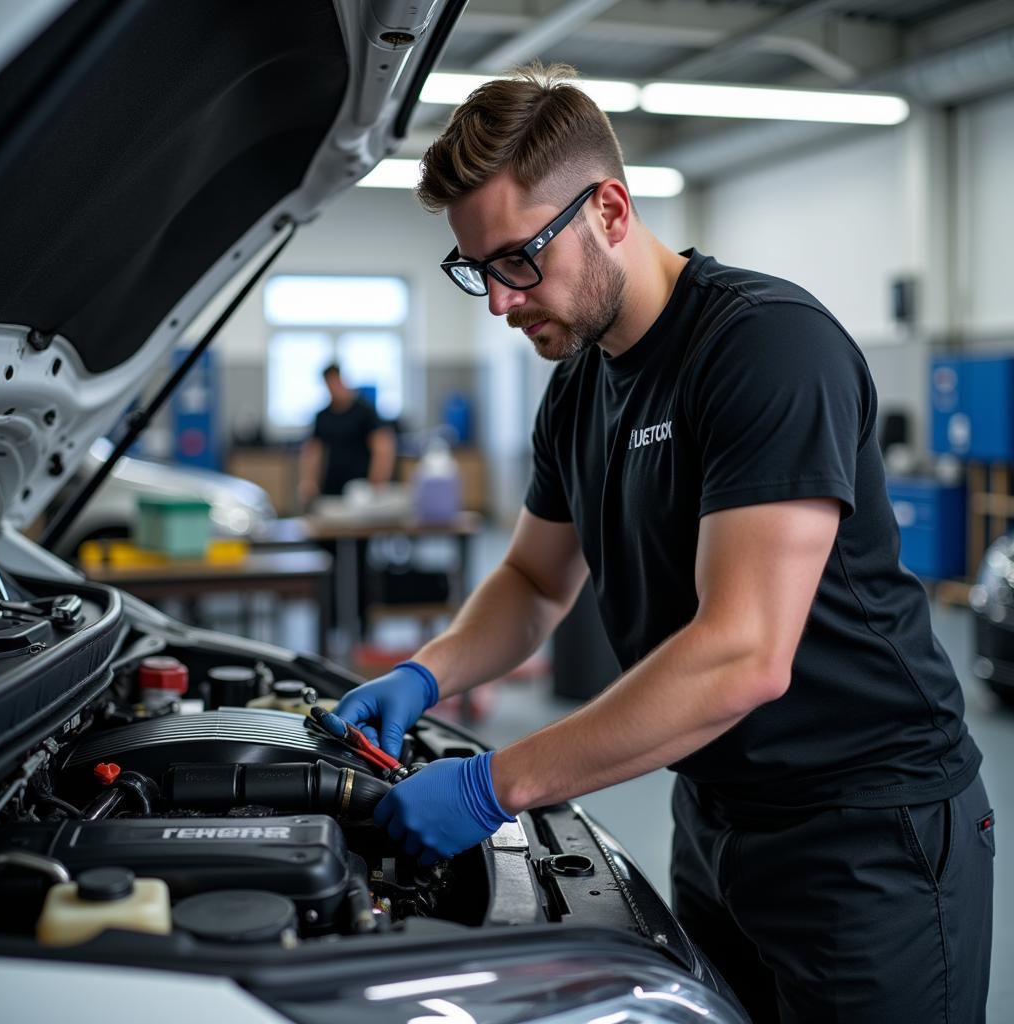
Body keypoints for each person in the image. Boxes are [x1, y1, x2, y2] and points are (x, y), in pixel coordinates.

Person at [335, 64, 993, 1023]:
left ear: (609, 208)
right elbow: (530, 577)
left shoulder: (765, 347)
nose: (499, 302)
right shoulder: (579, 389)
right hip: (716, 815)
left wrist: (493, 784)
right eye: (477, 270)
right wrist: (424, 673)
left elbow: (742, 656)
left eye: (518, 259)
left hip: (866, 831)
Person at [297, 363, 395, 506]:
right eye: (329, 384)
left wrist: (378, 482)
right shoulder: (323, 416)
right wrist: (308, 482)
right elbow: (314, 451)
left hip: (360, 488)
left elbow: (383, 447)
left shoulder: (364, 412)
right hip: (330, 487)